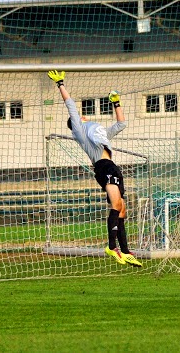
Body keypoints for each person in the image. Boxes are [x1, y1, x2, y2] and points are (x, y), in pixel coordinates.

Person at [47, 71, 142, 268]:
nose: (82, 116)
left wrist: (116, 102)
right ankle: (111, 247)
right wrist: (61, 84)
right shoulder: (81, 132)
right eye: (79, 118)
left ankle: (125, 251)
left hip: (112, 167)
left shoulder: (99, 134)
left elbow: (121, 123)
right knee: (116, 205)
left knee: (122, 209)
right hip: (103, 167)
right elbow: (71, 106)